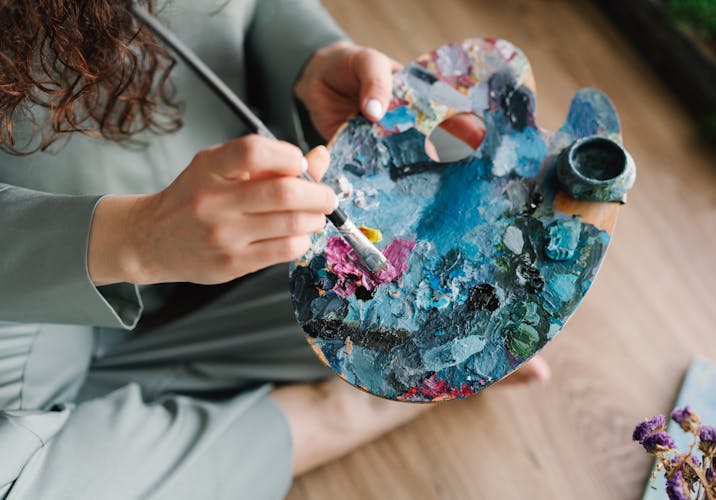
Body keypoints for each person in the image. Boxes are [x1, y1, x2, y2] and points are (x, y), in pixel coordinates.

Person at [0, 1, 550, 498]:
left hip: (231, 226)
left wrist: (311, 60)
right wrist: (128, 237)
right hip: (25, 289)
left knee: (478, 228)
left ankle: (109, 426)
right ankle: (332, 415)